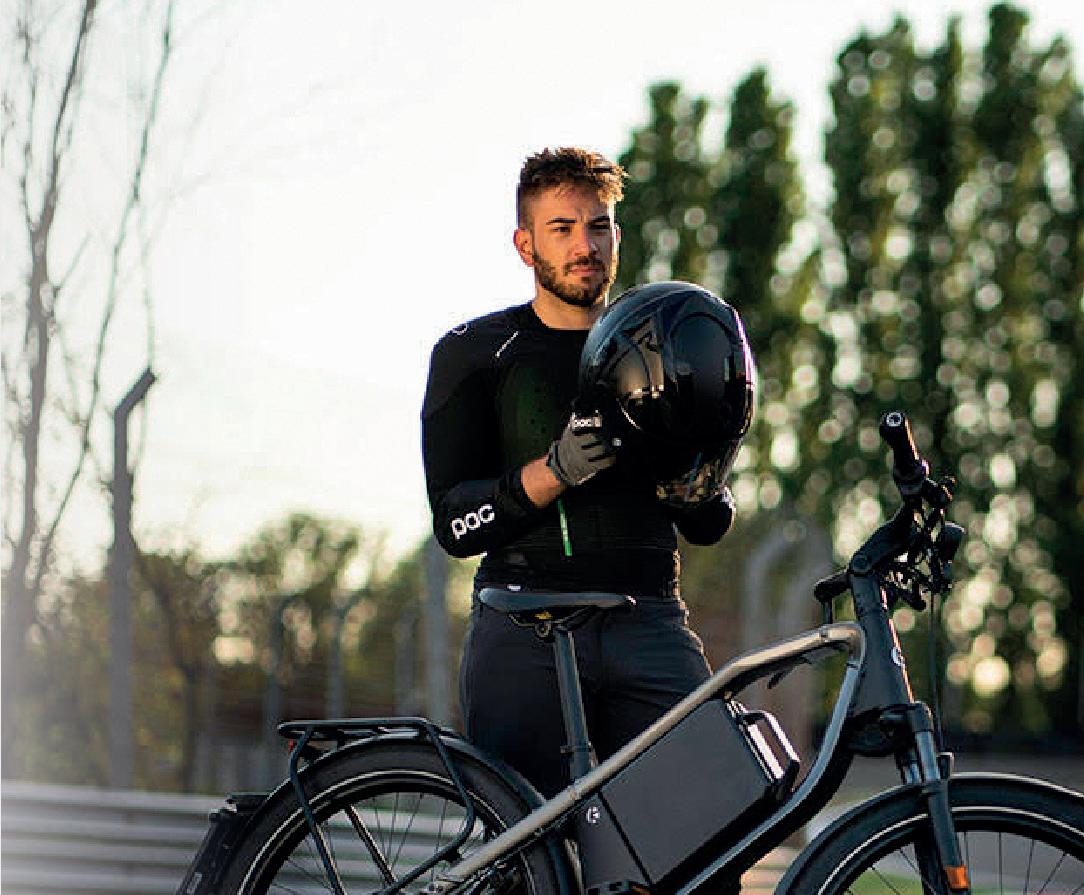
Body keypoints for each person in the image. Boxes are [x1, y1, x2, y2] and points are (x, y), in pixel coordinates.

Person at [420, 147, 737, 799]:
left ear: (617, 235)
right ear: (525, 244)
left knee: (712, 816)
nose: (584, 246)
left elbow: (708, 521)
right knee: (527, 839)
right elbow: (454, 523)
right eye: (561, 228)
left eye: (598, 227)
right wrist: (554, 472)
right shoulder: (475, 352)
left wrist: (696, 489)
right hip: (521, 626)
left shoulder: (667, 339)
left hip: (647, 617)